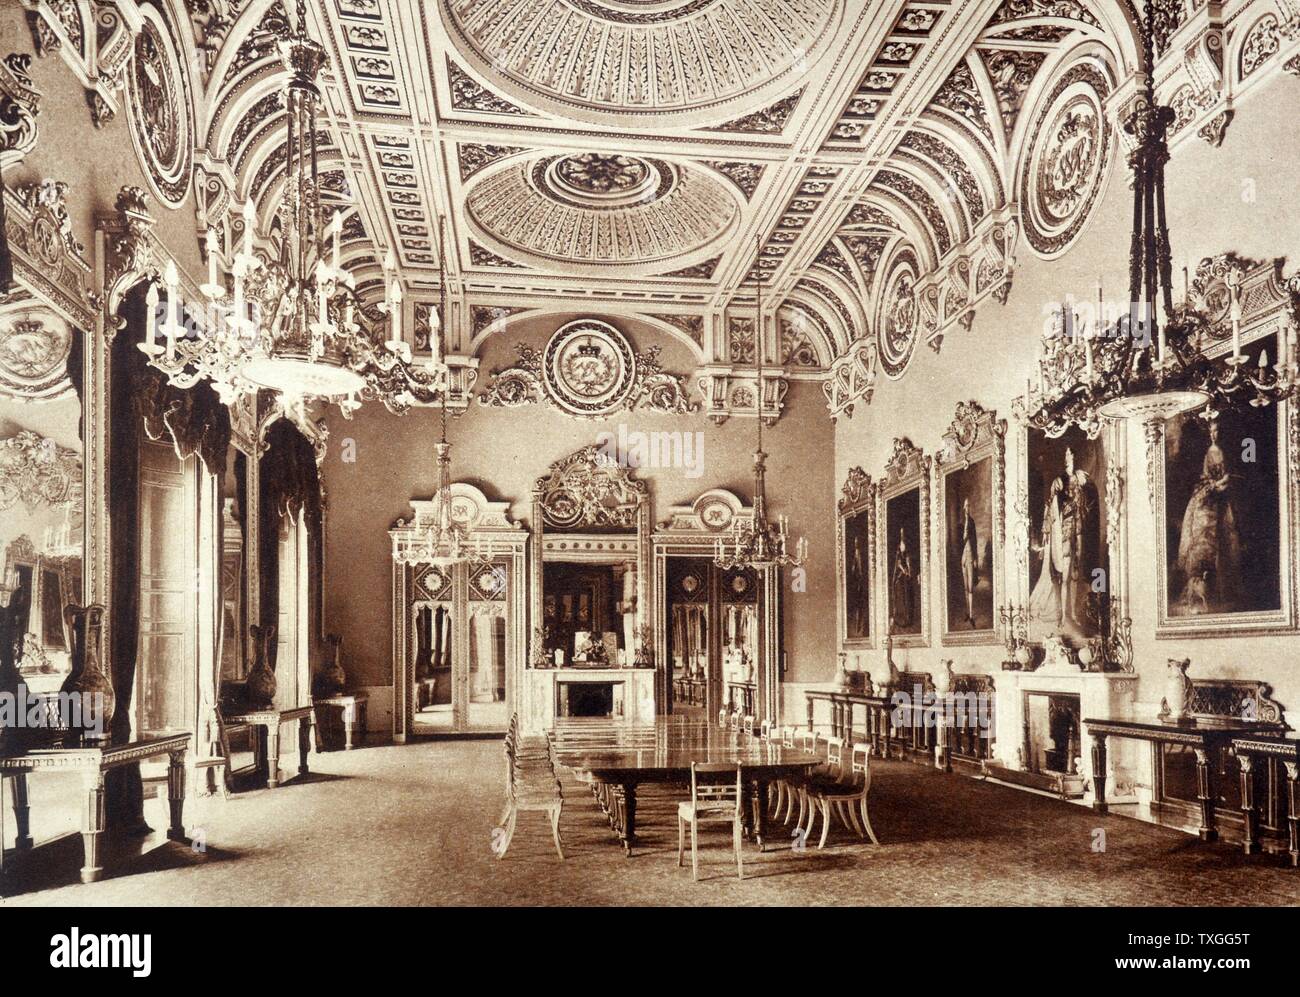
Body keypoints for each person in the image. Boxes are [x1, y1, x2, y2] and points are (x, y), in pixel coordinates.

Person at [1175, 420, 1242, 613]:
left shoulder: (1222, 451)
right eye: (1211, 431)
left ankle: (1224, 590)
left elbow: (1229, 475)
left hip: (1221, 496)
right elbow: (1205, 477)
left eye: (1217, 431)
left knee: (1226, 535)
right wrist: (1215, 484)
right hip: (1209, 494)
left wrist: (1223, 483)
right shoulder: (1207, 454)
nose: (1214, 435)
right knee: (1202, 535)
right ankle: (1199, 590)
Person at [957, 498, 978, 627]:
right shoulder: (960, 523)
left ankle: (971, 615)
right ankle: (967, 611)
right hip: (963, 558)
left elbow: (974, 540)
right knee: (965, 586)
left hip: (970, 556)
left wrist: (976, 558)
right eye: (966, 506)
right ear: (964, 508)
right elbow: (959, 542)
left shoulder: (971, 522)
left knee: (970, 586)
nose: (968, 507)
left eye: (969, 505)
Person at [890, 528, 915, 630]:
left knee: (907, 596)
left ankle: (907, 618)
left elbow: (908, 560)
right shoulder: (899, 548)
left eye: (903, 533)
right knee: (900, 597)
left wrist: (908, 570)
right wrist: (903, 570)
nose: (902, 535)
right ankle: (900, 618)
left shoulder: (906, 547)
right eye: (901, 533)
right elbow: (898, 562)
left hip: (906, 577)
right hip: (901, 576)